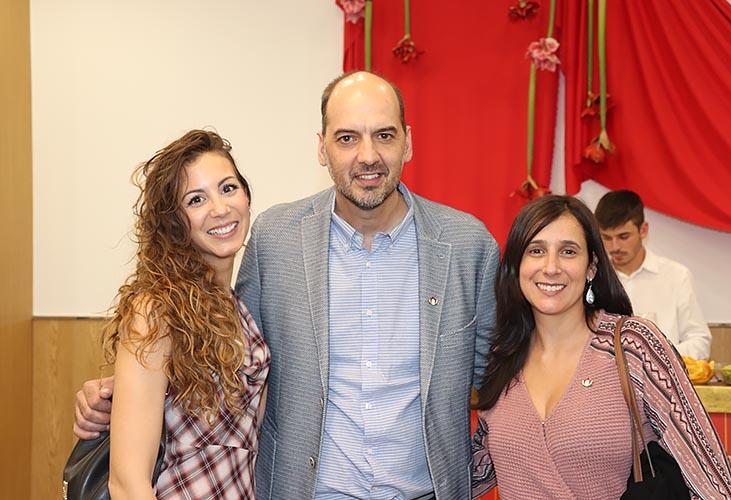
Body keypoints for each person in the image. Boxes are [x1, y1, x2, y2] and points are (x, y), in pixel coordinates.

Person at [75, 71, 499, 499]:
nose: (368, 155)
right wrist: (118, 393)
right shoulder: (275, 239)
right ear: (322, 148)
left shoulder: (468, 246)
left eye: (384, 135)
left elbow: (500, 382)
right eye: (347, 138)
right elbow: (202, 358)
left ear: (407, 142)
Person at [471, 195, 731, 499]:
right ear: (517, 265)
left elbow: (713, 482)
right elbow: (469, 474)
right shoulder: (502, 357)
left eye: (568, 251)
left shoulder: (633, 346)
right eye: (536, 250)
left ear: (591, 267)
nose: (551, 267)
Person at [103, 130, 269, 499]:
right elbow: (127, 482)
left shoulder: (240, 308)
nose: (220, 208)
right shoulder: (155, 311)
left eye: (228, 188)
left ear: (246, 196)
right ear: (174, 221)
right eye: (196, 199)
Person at [594, 189, 711, 359]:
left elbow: (700, 342)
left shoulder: (676, 276)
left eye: (623, 236)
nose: (614, 247)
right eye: (606, 238)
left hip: (663, 374)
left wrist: (658, 357)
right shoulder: (593, 277)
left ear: (643, 230)